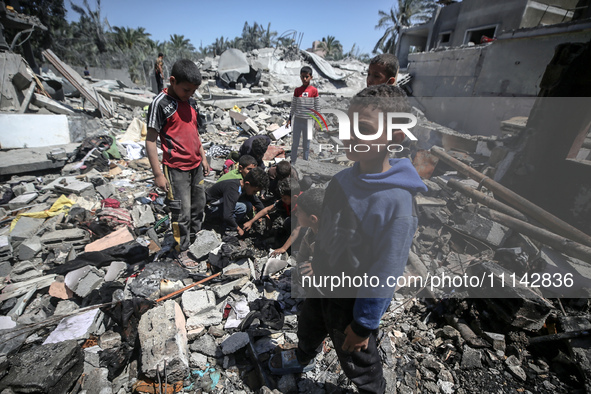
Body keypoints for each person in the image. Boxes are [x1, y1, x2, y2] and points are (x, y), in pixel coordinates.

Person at [269, 85, 427, 394]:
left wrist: (363, 324)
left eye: (364, 129)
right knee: (309, 326)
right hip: (321, 284)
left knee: (357, 357)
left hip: (351, 300)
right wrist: (314, 261)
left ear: (395, 135)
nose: (351, 135)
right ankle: (303, 356)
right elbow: (326, 232)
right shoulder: (341, 181)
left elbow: (386, 271)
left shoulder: (396, 203)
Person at [146, 59, 209, 255]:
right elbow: (150, 140)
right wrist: (158, 174)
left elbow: (194, 133)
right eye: (186, 90)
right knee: (182, 212)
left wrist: (204, 158)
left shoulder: (190, 102)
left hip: (196, 166)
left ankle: (196, 242)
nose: (189, 94)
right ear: (172, 81)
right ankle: (181, 250)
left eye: (193, 91)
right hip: (175, 169)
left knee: (198, 206)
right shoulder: (160, 104)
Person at [205, 167, 269, 236]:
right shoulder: (233, 189)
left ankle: (229, 224)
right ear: (247, 184)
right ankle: (226, 228)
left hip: (220, 206)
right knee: (242, 207)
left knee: (248, 205)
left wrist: (266, 215)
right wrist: (238, 229)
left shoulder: (244, 186)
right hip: (210, 208)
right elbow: (227, 215)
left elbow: (256, 201)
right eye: (255, 191)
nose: (255, 193)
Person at [287, 66, 319, 163]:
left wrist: (317, 121)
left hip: (308, 121)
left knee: (307, 143)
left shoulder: (314, 91)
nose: (304, 79)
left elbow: (317, 106)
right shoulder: (297, 90)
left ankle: (305, 162)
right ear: (300, 77)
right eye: (302, 77)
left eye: (307, 77)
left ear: (311, 77)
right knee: (295, 143)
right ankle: (293, 161)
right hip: (298, 120)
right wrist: (290, 118)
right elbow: (294, 105)